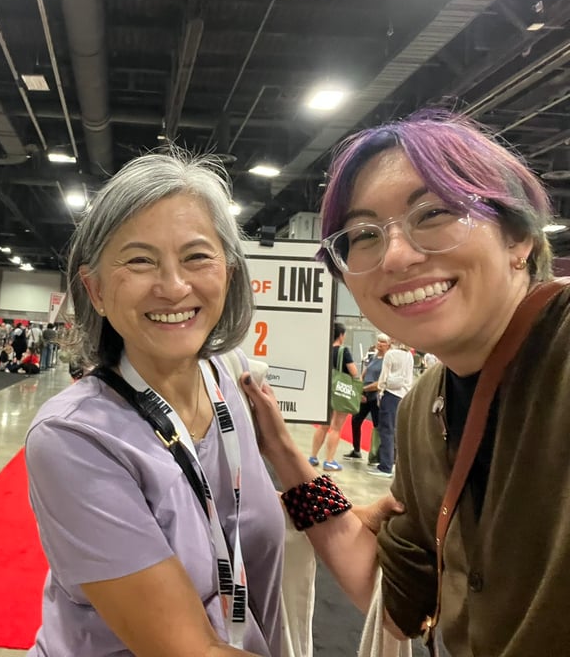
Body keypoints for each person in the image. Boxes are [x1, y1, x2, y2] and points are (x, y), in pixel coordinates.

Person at [24, 151, 388, 657]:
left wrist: (345, 514)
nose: (174, 287)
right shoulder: (75, 439)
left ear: (230, 272)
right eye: (139, 260)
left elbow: (241, 516)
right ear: (96, 289)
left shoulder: (230, 375)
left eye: (197, 256)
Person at [244, 111, 569, 656]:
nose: (396, 254)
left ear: (518, 237)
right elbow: (395, 597)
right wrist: (280, 447)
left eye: (436, 212)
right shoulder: (427, 407)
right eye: (365, 234)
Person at [310, 322, 359, 471]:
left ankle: (313, 457)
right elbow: (354, 372)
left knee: (323, 426)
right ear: (341, 335)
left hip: (326, 390)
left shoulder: (325, 349)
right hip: (340, 391)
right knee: (336, 427)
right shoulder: (343, 351)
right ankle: (329, 460)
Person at [371, 339, 414, 478]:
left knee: (386, 430)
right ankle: (393, 462)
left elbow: (383, 377)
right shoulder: (409, 355)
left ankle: (385, 466)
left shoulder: (390, 354)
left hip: (390, 394)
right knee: (396, 430)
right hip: (403, 395)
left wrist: (380, 391)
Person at [343, 334, 389, 463]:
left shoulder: (387, 360)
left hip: (376, 396)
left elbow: (380, 382)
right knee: (355, 420)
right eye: (379, 341)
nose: (380, 344)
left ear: (388, 345)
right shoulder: (373, 357)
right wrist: (360, 389)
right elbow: (365, 373)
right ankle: (356, 450)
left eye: (383, 342)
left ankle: (376, 455)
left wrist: (365, 389)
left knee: (377, 425)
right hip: (365, 394)